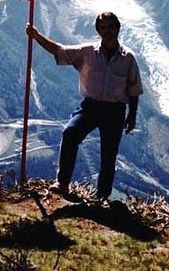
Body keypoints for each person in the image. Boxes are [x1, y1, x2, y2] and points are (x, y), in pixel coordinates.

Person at [26, 11, 143, 202]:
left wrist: (132, 115)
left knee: (109, 155)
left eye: (111, 27)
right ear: (98, 30)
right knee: (70, 133)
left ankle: (101, 197)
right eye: (103, 27)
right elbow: (60, 51)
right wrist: (37, 37)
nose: (107, 31)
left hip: (115, 110)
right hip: (91, 106)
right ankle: (62, 183)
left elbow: (134, 89)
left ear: (118, 28)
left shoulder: (128, 58)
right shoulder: (87, 52)